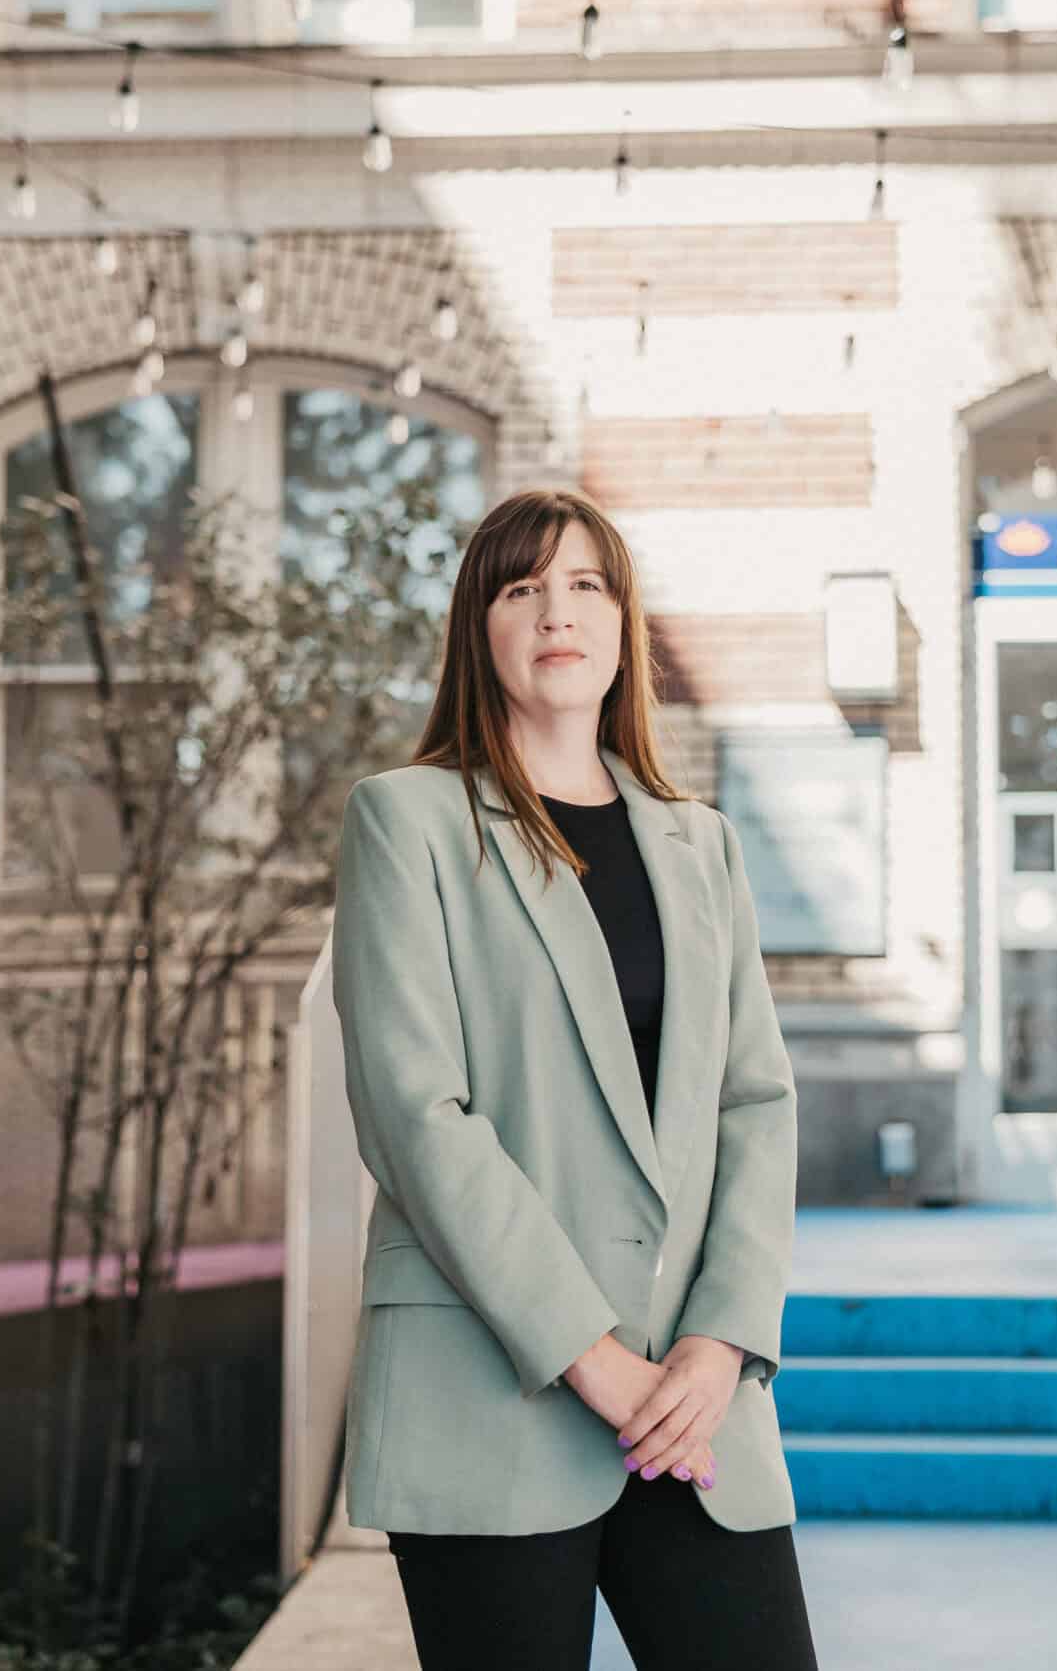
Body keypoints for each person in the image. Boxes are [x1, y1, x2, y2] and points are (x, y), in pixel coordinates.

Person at [328, 486, 821, 1671]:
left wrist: (718, 1343)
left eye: (586, 584)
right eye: (520, 587)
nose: (557, 610)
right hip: (491, 1387)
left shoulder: (698, 843)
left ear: (621, 625)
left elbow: (753, 1102)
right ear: (480, 630)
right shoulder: (408, 822)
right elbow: (416, 1116)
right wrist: (590, 1356)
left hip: (692, 1411)